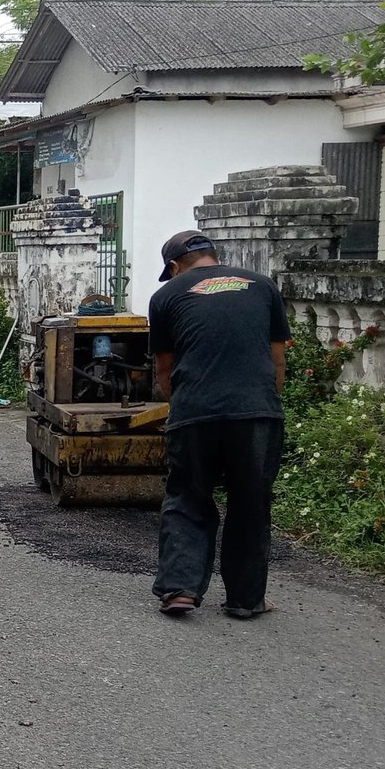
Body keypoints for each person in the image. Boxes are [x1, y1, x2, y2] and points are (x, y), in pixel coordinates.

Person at [149, 228, 292, 619]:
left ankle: (180, 589)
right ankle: (245, 600)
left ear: (175, 265)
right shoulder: (263, 287)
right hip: (257, 413)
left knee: (188, 496)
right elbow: (276, 358)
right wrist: (265, 404)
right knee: (251, 503)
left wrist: (181, 407)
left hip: (196, 411)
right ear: (214, 255)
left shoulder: (166, 296)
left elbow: (166, 368)